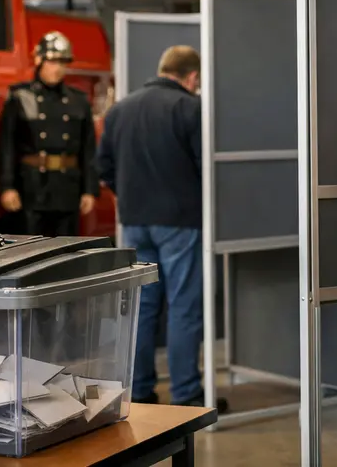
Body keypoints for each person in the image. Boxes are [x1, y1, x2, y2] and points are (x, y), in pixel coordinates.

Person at [96, 45, 219, 409]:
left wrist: (131, 197)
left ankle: (140, 391)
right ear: (192, 77)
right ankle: (186, 394)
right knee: (184, 307)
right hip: (181, 223)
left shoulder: (119, 110)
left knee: (143, 307)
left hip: (134, 222)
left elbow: (103, 167)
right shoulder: (189, 108)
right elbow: (206, 168)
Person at [0, 31, 99, 237]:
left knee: (67, 252)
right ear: (39, 60)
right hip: (31, 187)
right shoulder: (21, 97)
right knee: (30, 251)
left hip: (67, 187)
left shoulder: (78, 101)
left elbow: (88, 149)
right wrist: (7, 186)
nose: (58, 68)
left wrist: (89, 189)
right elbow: (6, 145)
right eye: (52, 61)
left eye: (62, 62)